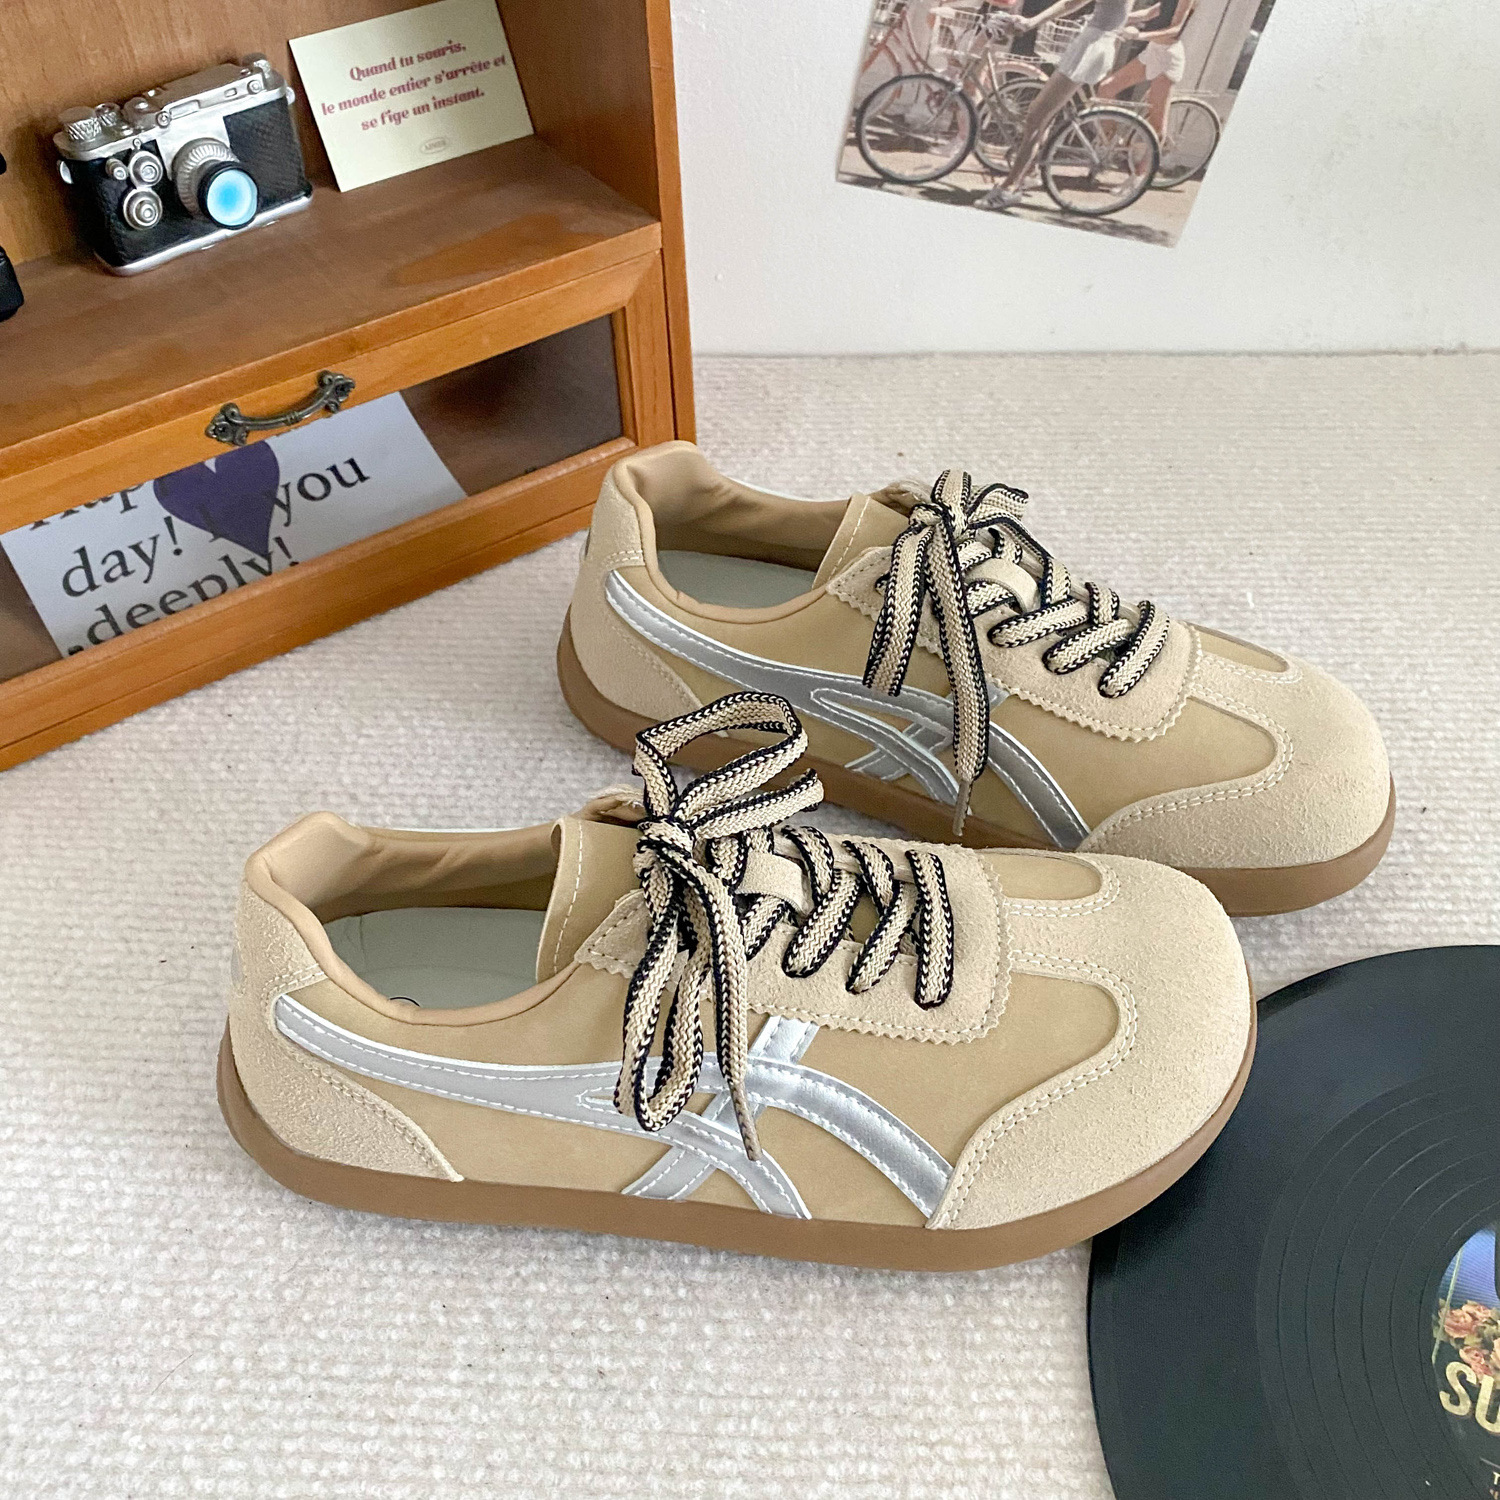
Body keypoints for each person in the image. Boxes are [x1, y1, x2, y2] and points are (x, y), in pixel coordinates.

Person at [980, 0, 1134, 207]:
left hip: (1092, 47)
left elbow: (1071, 3)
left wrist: (1032, 22)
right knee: (1042, 115)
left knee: (1037, 116)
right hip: (1093, 42)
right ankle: (1029, 171)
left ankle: (1010, 188)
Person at [1096, 0, 1197, 141]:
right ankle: (1109, 144)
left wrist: (1140, 36)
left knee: (1156, 127)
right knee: (1106, 88)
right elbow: (1149, 13)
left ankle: (1152, 155)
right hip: (1153, 50)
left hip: (1168, 58)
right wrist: (1113, 18)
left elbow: (1175, 29)